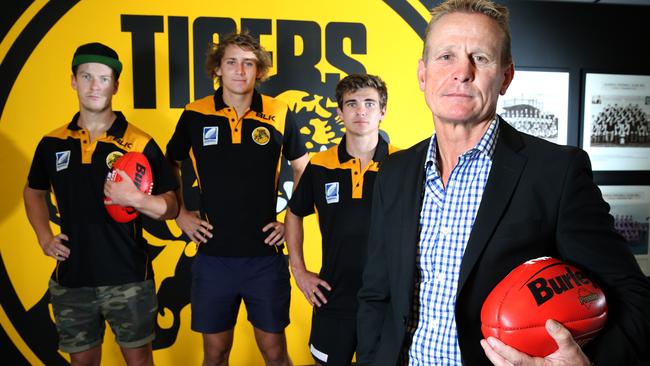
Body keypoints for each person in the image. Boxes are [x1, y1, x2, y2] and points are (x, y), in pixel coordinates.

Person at [356, 1, 650, 365]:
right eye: (445, 56)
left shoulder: (556, 172)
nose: (461, 72)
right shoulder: (395, 171)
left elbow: (635, 296)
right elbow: (376, 291)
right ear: (423, 75)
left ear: (506, 77)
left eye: (480, 58)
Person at [23, 42, 179, 366]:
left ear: (115, 85)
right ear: (73, 81)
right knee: (82, 363)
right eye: (87, 77)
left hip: (129, 277)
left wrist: (136, 199)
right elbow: (33, 191)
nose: (95, 86)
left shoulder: (140, 142)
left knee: (139, 361)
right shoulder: (52, 143)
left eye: (104, 79)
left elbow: (172, 206)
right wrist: (44, 237)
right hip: (72, 278)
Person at [166, 31, 309, 366]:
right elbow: (169, 163)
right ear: (217, 68)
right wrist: (180, 213)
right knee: (215, 354)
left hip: (265, 258)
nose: (240, 71)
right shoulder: (195, 114)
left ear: (259, 71)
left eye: (249, 63)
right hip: (213, 257)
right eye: (231, 62)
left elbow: (304, 168)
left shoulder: (279, 112)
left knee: (275, 353)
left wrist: (288, 219)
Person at [285, 74, 399, 365]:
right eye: (352, 104)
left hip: (387, 301)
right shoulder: (319, 165)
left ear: (382, 112)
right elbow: (294, 213)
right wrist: (298, 270)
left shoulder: (403, 164)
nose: (361, 111)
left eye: (369, 103)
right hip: (333, 298)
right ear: (340, 113)